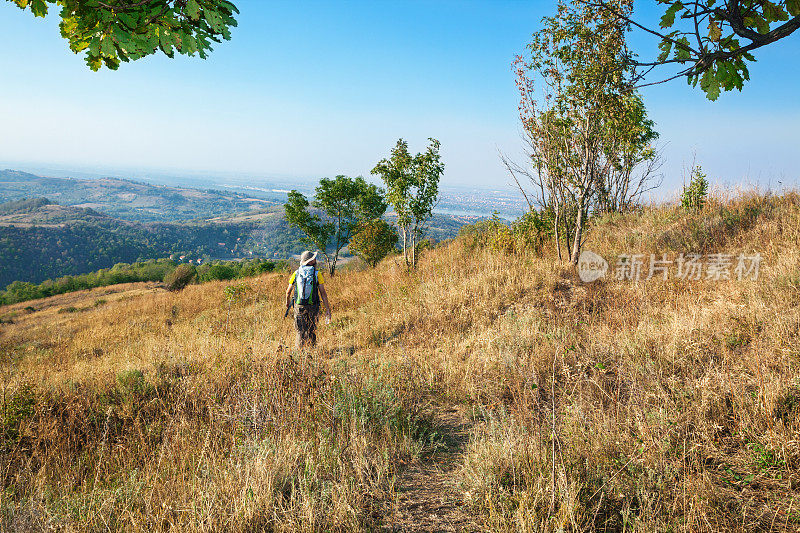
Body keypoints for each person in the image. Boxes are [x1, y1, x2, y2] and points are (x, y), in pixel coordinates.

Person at [285, 251, 331, 348]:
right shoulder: (317, 274)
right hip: (313, 305)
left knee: (300, 330)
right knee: (312, 328)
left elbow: (288, 291)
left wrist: (287, 302)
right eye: (314, 259)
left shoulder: (296, 273)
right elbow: (323, 293)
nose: (315, 260)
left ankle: (299, 352)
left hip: (299, 305)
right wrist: (327, 309)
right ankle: (312, 350)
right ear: (310, 261)